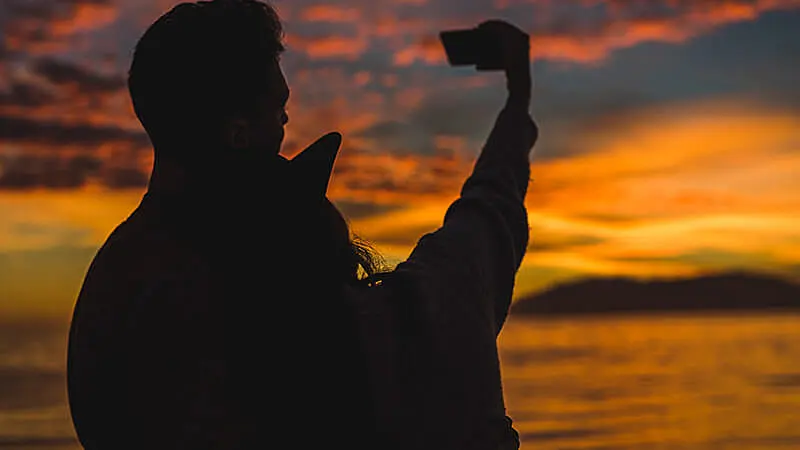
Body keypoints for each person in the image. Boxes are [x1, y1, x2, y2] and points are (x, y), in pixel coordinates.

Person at [66, 0, 538, 448]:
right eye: (278, 109)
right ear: (238, 133)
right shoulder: (307, 296)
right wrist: (518, 99)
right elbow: (476, 240)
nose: (287, 122)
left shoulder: (111, 291)